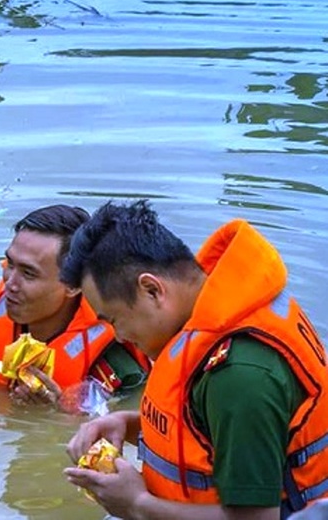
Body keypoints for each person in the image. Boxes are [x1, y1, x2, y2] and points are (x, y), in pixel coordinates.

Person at [60, 200, 328, 519]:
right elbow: (211, 436)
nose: (118, 337)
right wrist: (129, 424)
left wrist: (137, 506)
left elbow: (259, 518)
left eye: (114, 319)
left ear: (152, 290)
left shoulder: (238, 373)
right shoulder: (222, 310)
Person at [0, 204, 151, 409]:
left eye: (28, 273)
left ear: (73, 285)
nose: (9, 283)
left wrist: (56, 412)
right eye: (10, 265)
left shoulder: (114, 364)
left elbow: (127, 427)